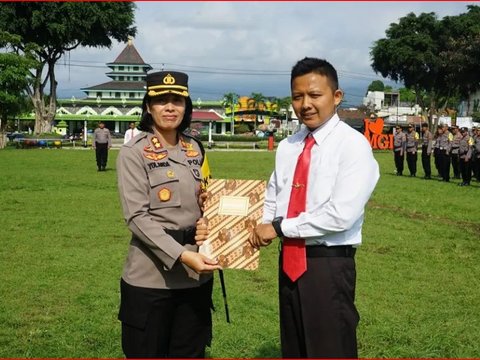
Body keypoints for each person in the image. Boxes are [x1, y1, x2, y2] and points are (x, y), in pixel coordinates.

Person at [249, 57, 379, 358]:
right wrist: (261, 224)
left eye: (315, 95)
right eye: (297, 96)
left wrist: (278, 227)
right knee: (294, 346)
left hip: (328, 264)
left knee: (330, 349)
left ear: (336, 97)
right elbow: (273, 194)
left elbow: (340, 216)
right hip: (289, 263)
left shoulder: (353, 145)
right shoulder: (288, 146)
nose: (305, 104)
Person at [116, 71, 221, 358]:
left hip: (195, 279)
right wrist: (183, 255)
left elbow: (207, 200)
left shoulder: (195, 149)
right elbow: (137, 217)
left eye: (177, 100)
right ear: (148, 106)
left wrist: (209, 222)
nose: (170, 107)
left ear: (186, 107)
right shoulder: (133, 153)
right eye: (161, 100)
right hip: (151, 280)